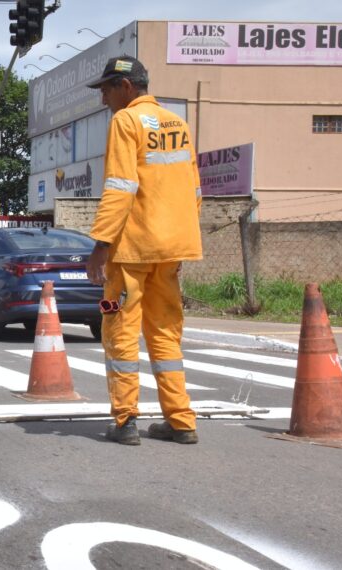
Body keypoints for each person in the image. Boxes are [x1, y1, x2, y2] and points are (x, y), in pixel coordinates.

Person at [84, 56, 203, 446]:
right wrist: (179, 243)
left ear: (126, 87)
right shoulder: (179, 125)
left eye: (106, 91)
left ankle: (125, 421)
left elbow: (120, 186)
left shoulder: (126, 121)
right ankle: (182, 421)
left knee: (118, 329)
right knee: (166, 333)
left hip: (131, 250)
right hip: (170, 248)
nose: (104, 100)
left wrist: (101, 245)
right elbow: (194, 190)